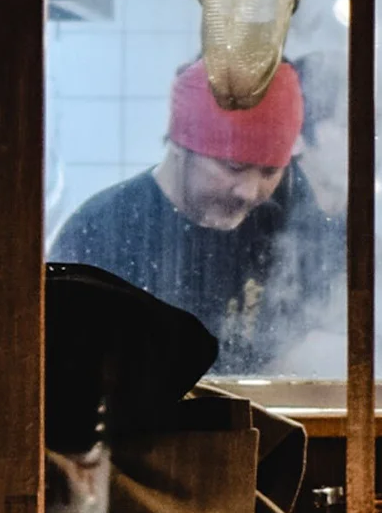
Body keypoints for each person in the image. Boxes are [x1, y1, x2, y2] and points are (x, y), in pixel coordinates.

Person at [51, 59, 343, 375]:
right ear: (179, 145)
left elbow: (314, 330)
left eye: (269, 172)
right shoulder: (103, 230)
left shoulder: (281, 220)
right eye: (233, 167)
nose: (249, 191)